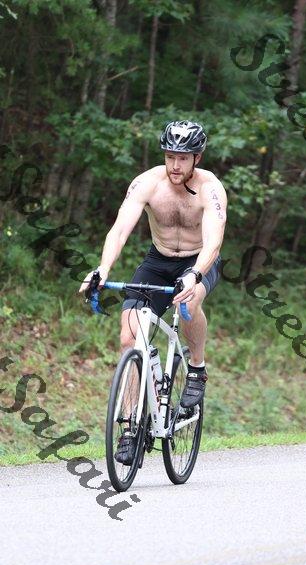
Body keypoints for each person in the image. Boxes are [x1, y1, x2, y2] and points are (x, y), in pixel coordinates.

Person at [79, 120, 227, 459]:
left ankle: (196, 369)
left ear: (197, 158)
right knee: (129, 338)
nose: (175, 165)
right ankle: (131, 428)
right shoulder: (147, 182)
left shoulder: (211, 189)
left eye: (183, 158)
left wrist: (195, 275)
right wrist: (102, 269)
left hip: (198, 260)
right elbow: (119, 230)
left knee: (190, 300)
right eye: (170, 156)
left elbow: (214, 243)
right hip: (157, 261)